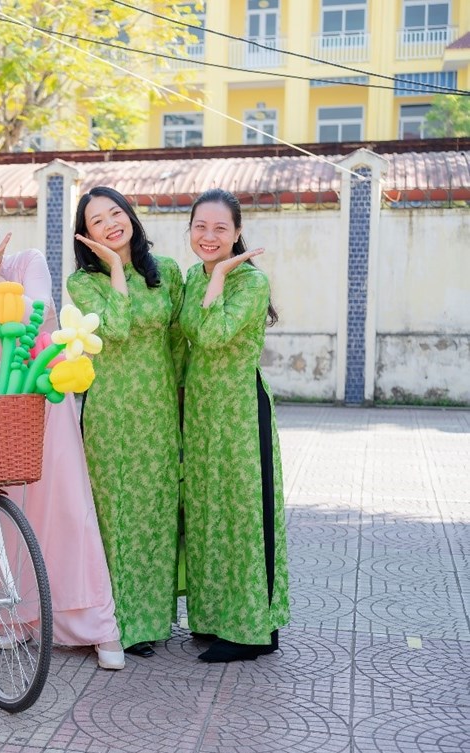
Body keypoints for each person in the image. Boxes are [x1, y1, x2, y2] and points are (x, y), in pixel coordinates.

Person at [0, 200, 125, 669]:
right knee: (6, 508)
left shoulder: (28, 262)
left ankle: (95, 624)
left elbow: (37, 316)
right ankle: (17, 617)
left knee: (68, 507)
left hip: (45, 394)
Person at [65, 186, 185, 658]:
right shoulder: (83, 283)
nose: (111, 224)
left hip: (158, 409)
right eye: (97, 221)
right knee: (115, 515)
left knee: (156, 511)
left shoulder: (167, 272)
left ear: (130, 215)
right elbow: (113, 328)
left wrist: (181, 400)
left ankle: (152, 619)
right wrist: (116, 268)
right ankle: (117, 623)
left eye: (115, 213)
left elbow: (176, 342)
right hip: (111, 413)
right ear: (86, 235)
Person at [180, 188, 288, 663]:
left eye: (220, 228)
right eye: (200, 226)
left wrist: (221, 275)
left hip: (241, 409)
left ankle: (252, 630)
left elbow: (212, 333)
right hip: (201, 412)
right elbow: (184, 342)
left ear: (238, 232)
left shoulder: (250, 281)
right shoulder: (191, 276)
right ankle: (213, 619)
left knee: (243, 514)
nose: (209, 236)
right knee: (207, 513)